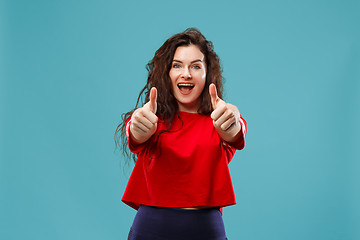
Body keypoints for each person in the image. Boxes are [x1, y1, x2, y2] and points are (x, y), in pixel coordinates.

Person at [115, 28, 247, 240]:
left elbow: (236, 131)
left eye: (195, 66)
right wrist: (136, 127)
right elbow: (134, 132)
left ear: (207, 73)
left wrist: (232, 123)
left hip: (205, 230)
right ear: (167, 73)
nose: (186, 73)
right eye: (177, 65)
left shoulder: (221, 117)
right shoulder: (150, 117)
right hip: (150, 229)